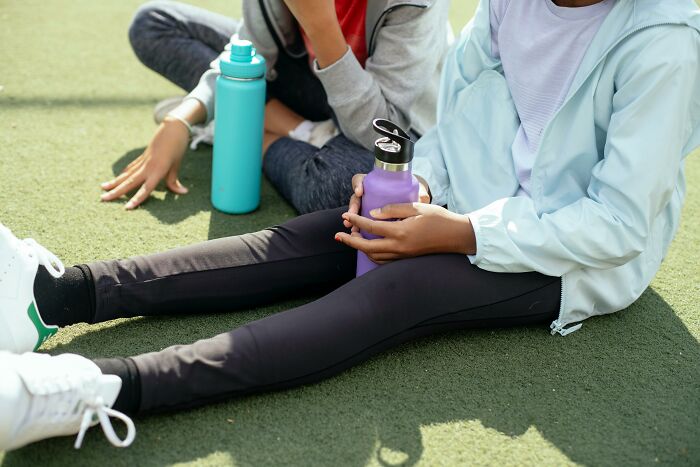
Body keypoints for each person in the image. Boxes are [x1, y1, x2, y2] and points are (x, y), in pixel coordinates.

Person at [1, 0, 699, 451]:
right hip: (462, 202)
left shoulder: (664, 44)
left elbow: (617, 223)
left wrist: (460, 234)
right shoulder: (509, 4)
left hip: (569, 255)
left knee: (391, 293)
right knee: (325, 232)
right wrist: (416, 186)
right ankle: (59, 292)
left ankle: (101, 385)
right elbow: (456, 127)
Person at [99, 0, 451, 214]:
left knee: (347, 186)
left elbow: (382, 131)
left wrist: (321, 26)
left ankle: (233, 126)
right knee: (154, 23)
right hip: (306, 83)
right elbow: (247, 52)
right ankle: (297, 129)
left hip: (381, 118)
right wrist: (184, 116)